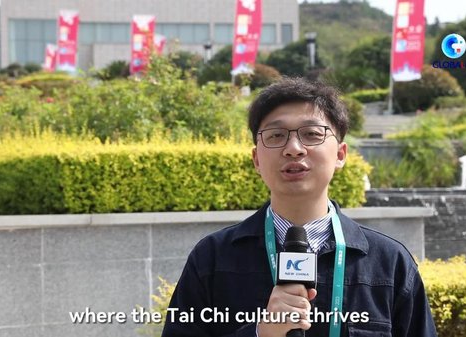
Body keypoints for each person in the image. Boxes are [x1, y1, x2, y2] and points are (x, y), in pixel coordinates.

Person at [161, 78, 437, 337]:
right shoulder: (212, 259)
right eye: (276, 135)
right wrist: (260, 333)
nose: (294, 148)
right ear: (257, 159)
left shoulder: (389, 263)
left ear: (340, 155)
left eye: (311, 134)